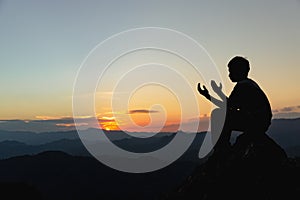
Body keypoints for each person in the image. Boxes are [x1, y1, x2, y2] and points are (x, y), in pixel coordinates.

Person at [197, 56, 273, 156]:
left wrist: (208, 95)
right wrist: (218, 92)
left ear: (239, 71)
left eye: (231, 71)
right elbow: (231, 104)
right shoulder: (249, 84)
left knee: (218, 114)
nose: (229, 75)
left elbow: (228, 106)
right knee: (221, 114)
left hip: (256, 123)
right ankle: (222, 148)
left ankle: (221, 149)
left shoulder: (243, 86)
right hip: (260, 122)